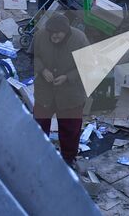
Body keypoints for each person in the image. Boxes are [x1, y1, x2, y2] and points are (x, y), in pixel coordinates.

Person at [34, 12, 88, 168]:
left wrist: (68, 77)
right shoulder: (40, 36)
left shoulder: (80, 39)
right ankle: (39, 155)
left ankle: (68, 159)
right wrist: (43, 70)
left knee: (70, 128)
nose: (53, 37)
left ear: (66, 31)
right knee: (39, 124)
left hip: (71, 94)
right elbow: (34, 56)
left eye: (57, 34)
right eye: (51, 33)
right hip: (45, 92)